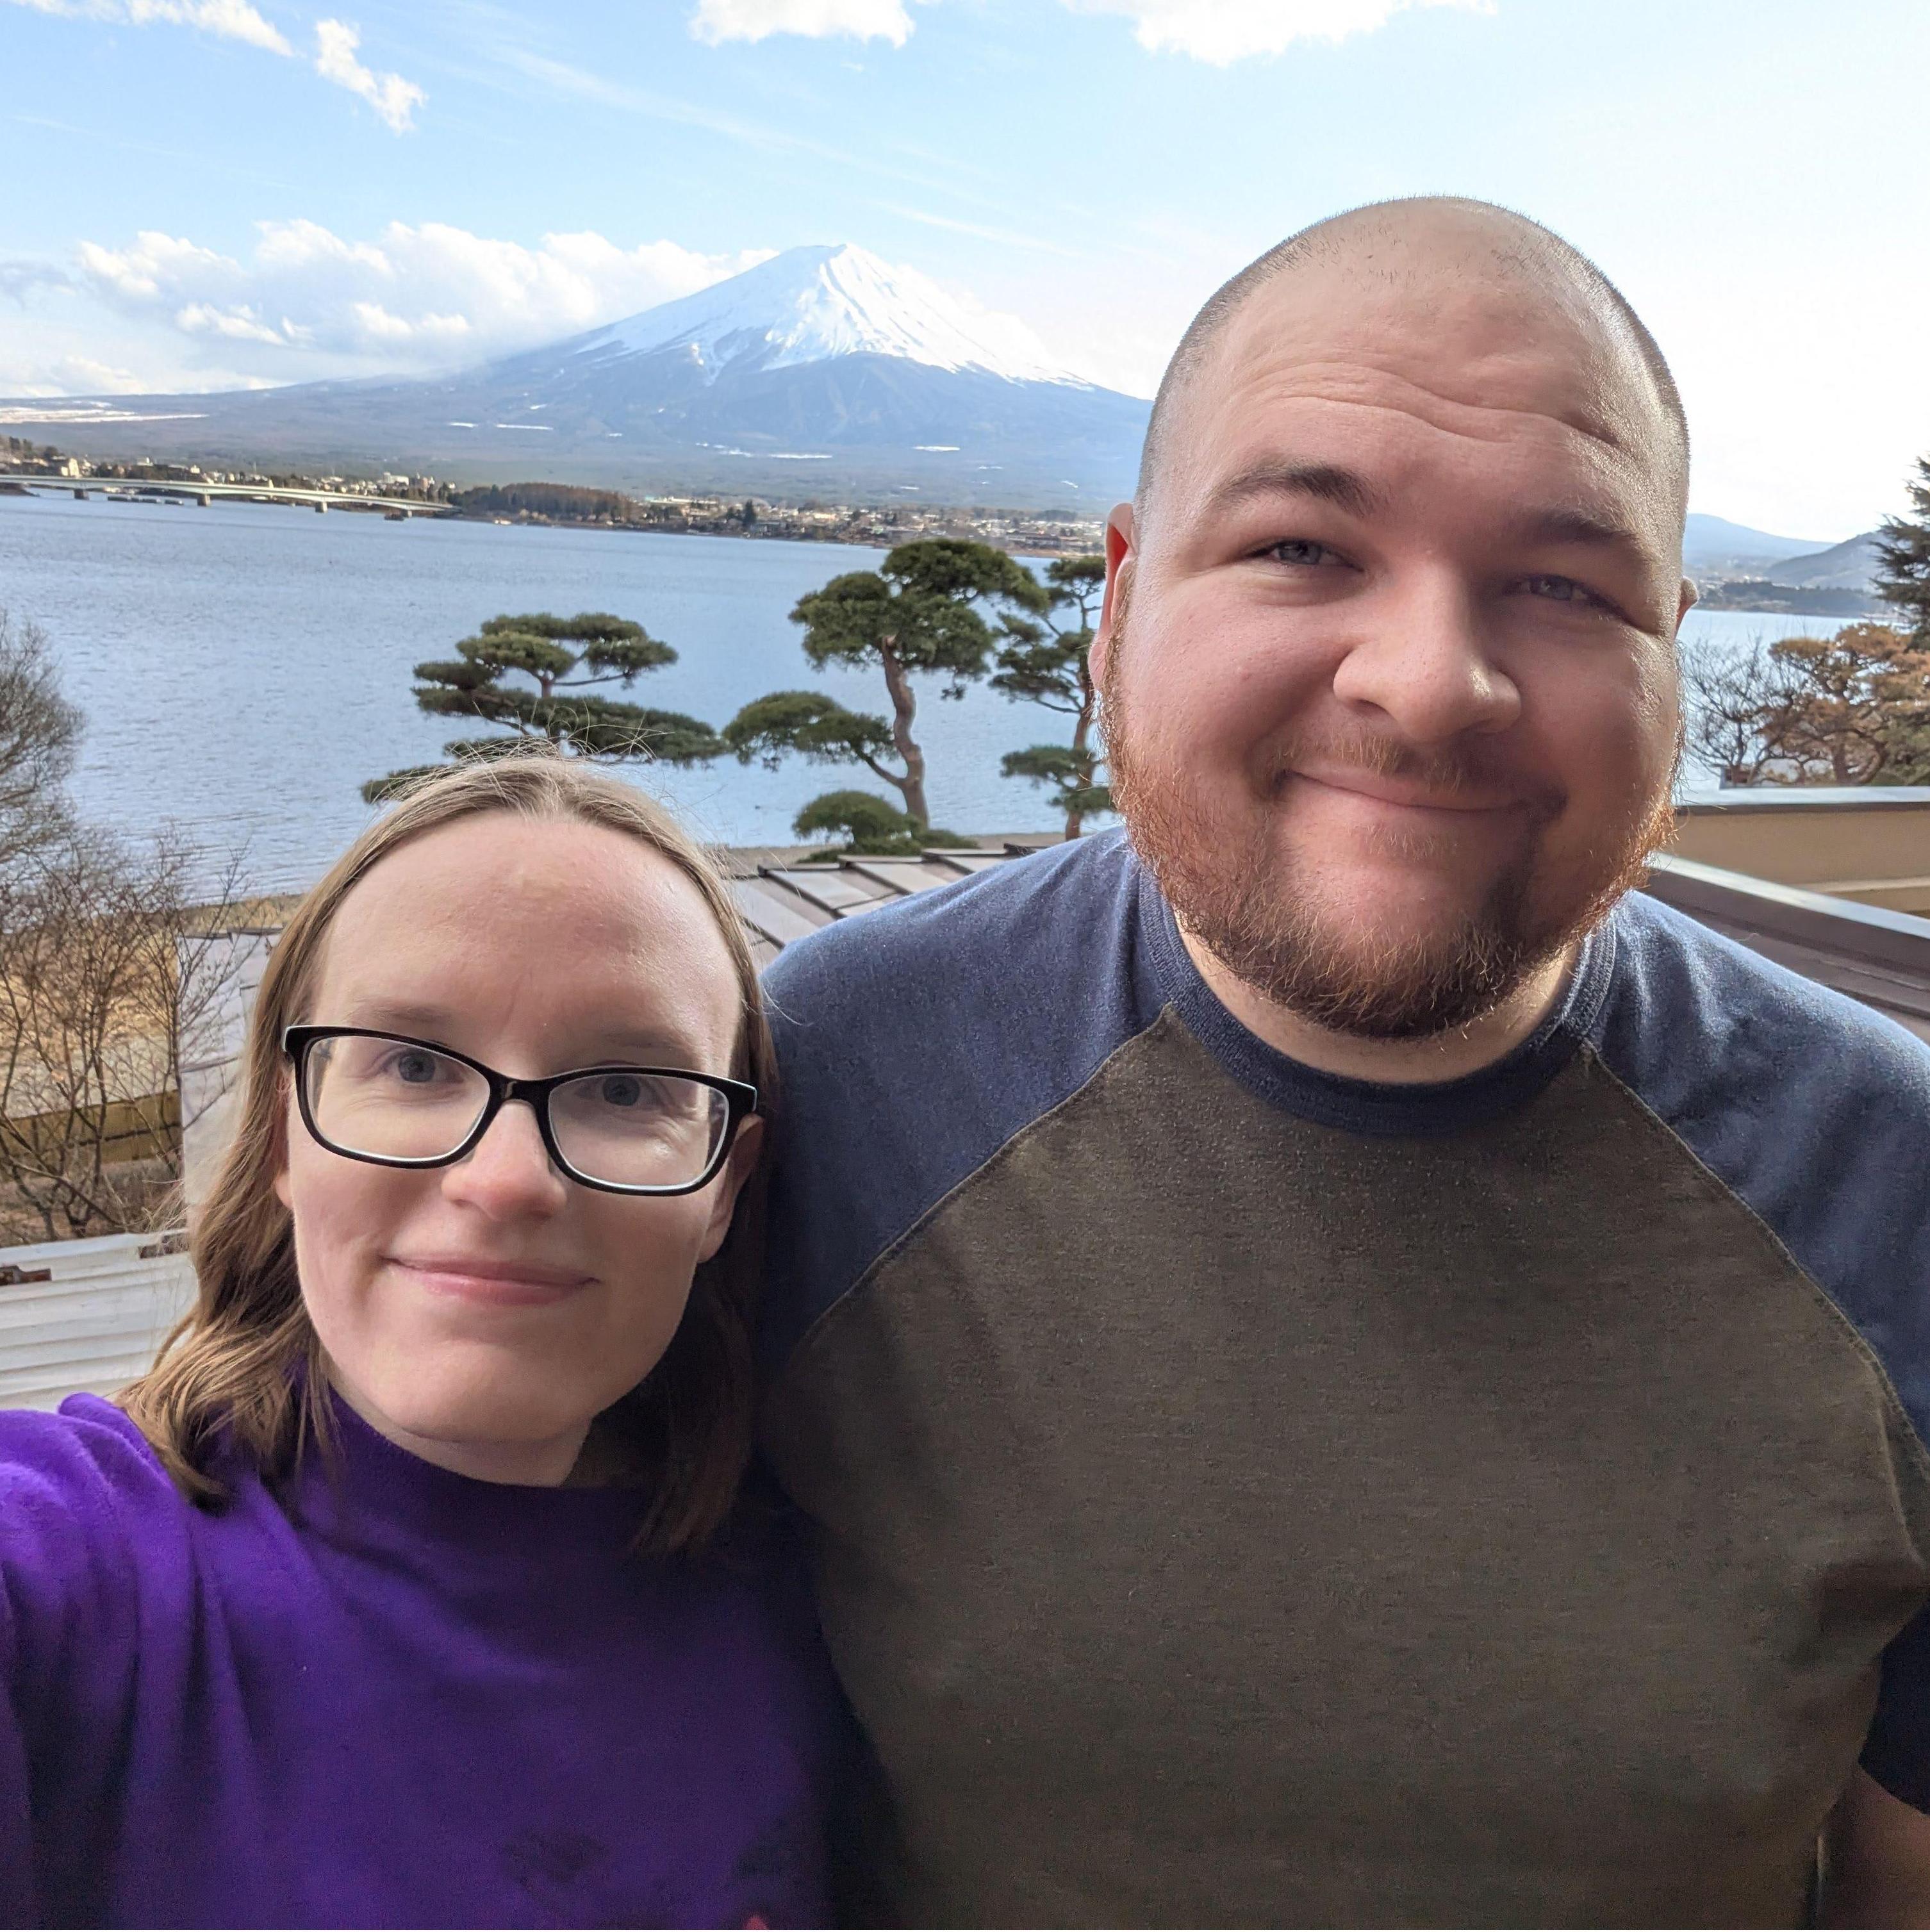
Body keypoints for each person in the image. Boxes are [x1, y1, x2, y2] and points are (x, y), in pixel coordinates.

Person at [758, 197, 1930, 1926]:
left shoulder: (1890, 1185)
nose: (1428, 680)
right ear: (1117, 607)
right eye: (1303, 547)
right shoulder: (821, 1083)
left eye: (1558, 582)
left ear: (1669, 650)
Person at [0, 756, 841, 1928]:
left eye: (628, 1088)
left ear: (723, 1189)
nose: (504, 1183)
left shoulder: (830, 1595)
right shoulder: (70, 1572)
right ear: (288, 1135)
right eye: (411, 1063)